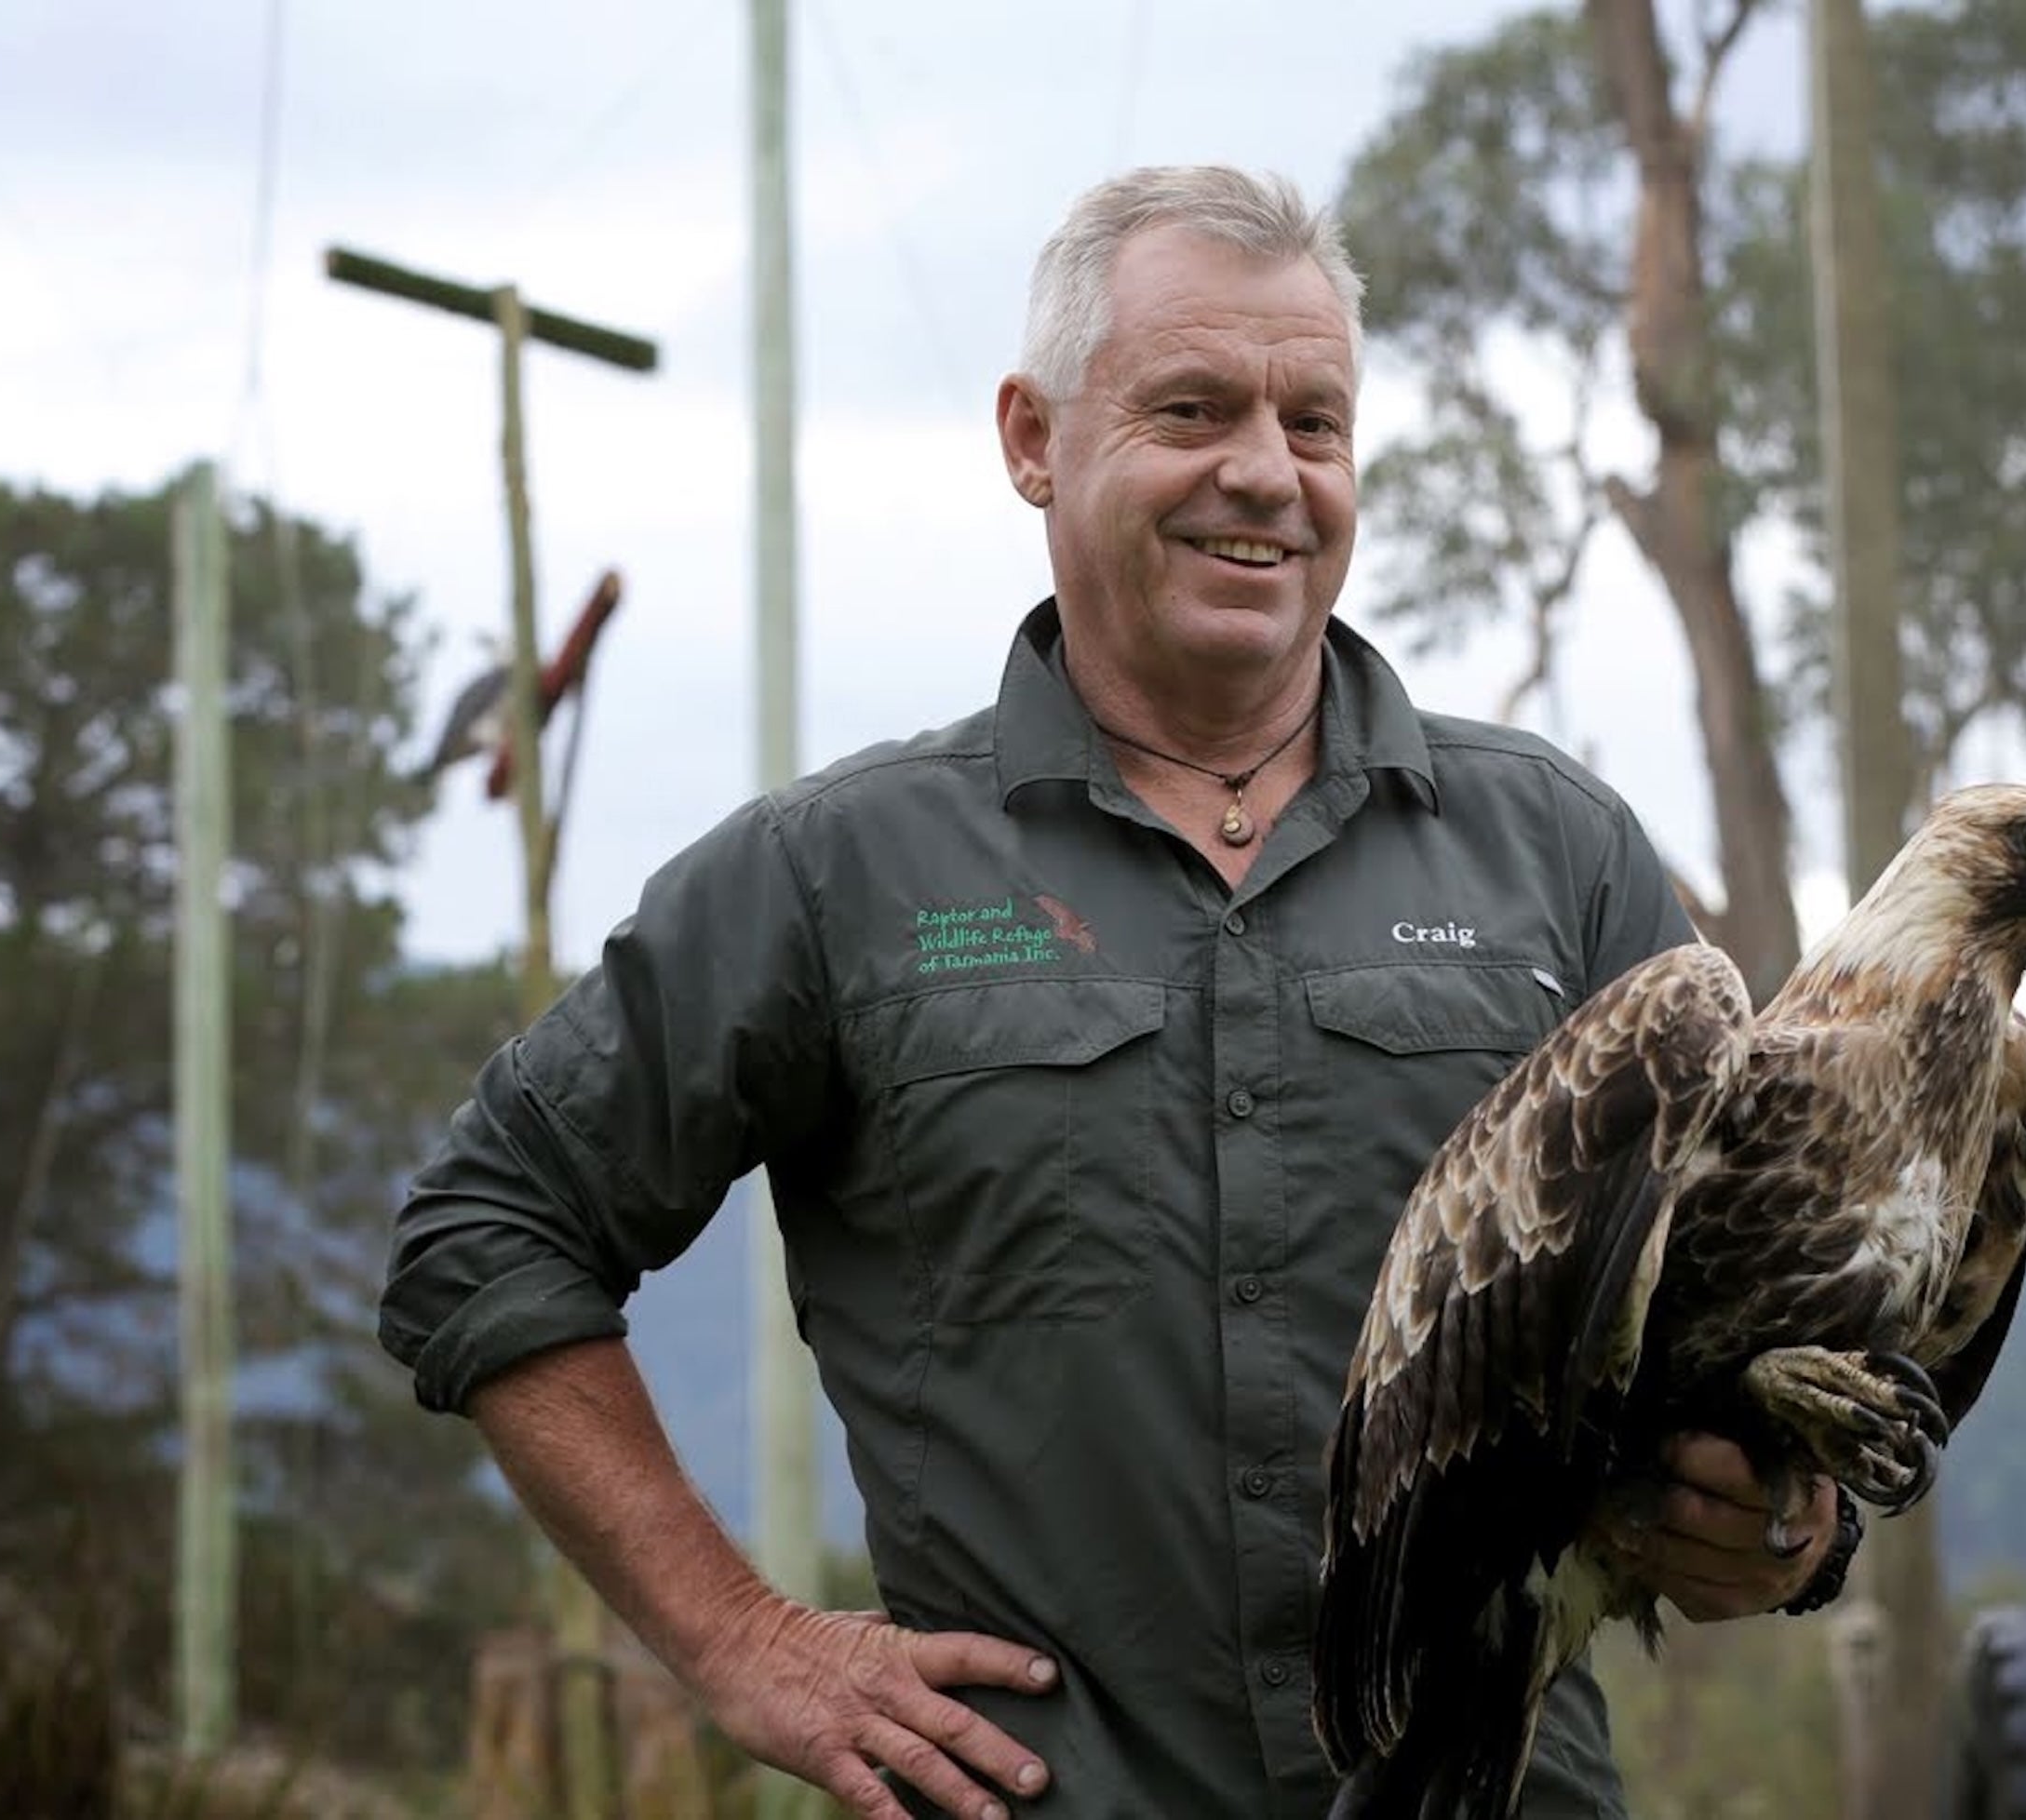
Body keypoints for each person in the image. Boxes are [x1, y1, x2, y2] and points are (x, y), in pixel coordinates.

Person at [379, 164, 1849, 1819]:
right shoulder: (835, 873)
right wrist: (742, 1642)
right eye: (1192, 408)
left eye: (1314, 421)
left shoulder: (1557, 858)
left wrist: (1783, 1526)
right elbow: (485, 1230)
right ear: (1032, 440)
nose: (1265, 475)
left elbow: (1757, 1324)